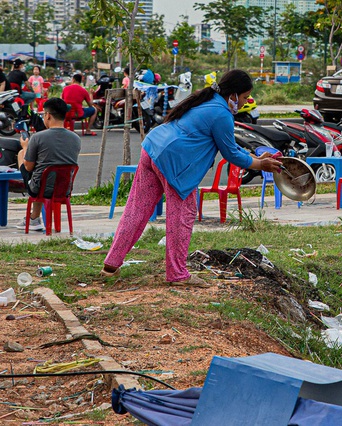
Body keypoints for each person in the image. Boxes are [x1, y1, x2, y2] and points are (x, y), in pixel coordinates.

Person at [100, 69, 282, 286]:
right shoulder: (222, 114)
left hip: (152, 148)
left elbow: (231, 147)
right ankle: (177, 274)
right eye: (243, 97)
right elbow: (231, 154)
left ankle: (111, 264)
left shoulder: (207, 100)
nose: (244, 103)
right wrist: (260, 163)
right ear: (233, 94)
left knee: (137, 210)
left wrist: (255, 157)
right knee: (181, 218)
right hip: (174, 162)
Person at [15, 98, 81, 231]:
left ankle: (33, 216)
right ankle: (34, 217)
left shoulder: (38, 137)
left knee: (23, 155)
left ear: (48, 115)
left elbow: (28, 167)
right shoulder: (76, 138)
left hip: (40, 189)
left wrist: (26, 146)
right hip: (64, 189)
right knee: (43, 171)